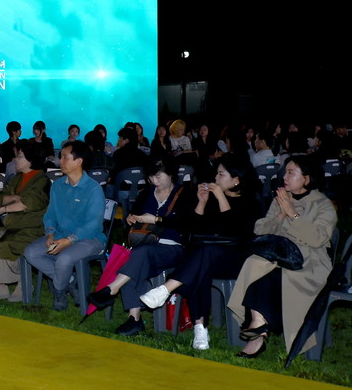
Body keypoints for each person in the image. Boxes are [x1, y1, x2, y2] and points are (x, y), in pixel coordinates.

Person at [139, 153, 262, 350]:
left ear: (236, 180)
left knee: (204, 255)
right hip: (208, 257)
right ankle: (200, 327)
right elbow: (194, 229)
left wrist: (220, 197)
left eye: (221, 175)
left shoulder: (251, 202)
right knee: (201, 263)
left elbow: (234, 231)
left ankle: (166, 289)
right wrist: (202, 202)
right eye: (217, 174)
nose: (216, 178)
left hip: (236, 259)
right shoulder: (212, 199)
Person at [227, 155, 337, 359]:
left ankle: (258, 332)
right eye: (285, 172)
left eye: (290, 172)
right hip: (277, 256)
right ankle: (258, 328)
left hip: (309, 263)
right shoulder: (281, 198)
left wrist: (293, 214)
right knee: (254, 264)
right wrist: (281, 214)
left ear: (306, 178)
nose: (284, 177)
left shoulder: (323, 204)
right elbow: (260, 230)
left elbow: (318, 238)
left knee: (270, 280)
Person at [87, 156, 194, 334]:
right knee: (134, 262)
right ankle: (134, 318)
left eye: (159, 176)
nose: (155, 181)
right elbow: (134, 214)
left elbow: (186, 224)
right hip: (146, 245)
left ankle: (112, 289)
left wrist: (157, 220)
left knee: (139, 255)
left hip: (173, 247)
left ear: (171, 174)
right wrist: (131, 218)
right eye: (151, 177)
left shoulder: (185, 194)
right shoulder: (146, 193)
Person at [22, 141, 106, 311]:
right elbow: (50, 214)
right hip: (61, 234)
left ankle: (59, 292)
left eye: (65, 157)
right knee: (30, 252)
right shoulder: (58, 186)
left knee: (64, 258)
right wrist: (50, 233)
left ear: (79, 161)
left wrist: (69, 240)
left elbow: (93, 224)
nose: (60, 161)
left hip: (90, 238)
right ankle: (70, 281)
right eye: (60, 157)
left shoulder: (93, 189)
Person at [0, 140, 50, 302]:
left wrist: (5, 209)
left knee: (4, 244)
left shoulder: (42, 180)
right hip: (12, 226)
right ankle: (0, 286)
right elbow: (1, 197)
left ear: (30, 160)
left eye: (20, 156)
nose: (15, 159)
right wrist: (15, 198)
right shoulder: (18, 178)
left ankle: (23, 283)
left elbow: (28, 203)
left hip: (31, 229)